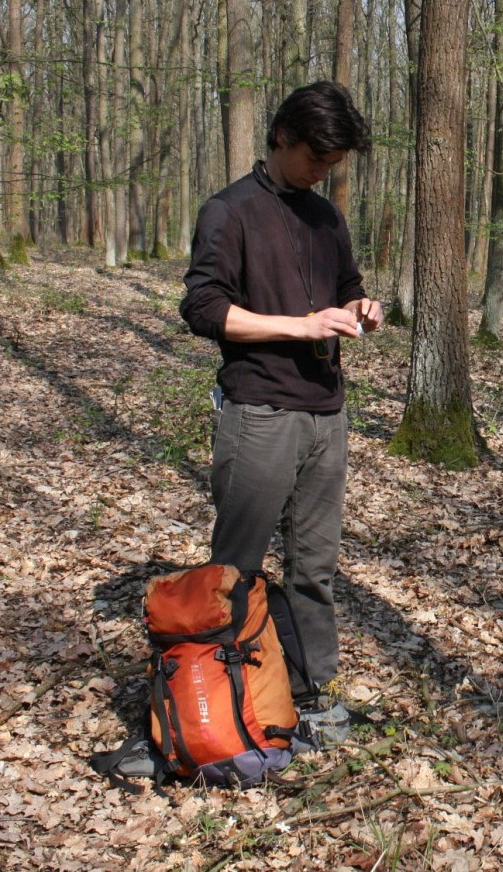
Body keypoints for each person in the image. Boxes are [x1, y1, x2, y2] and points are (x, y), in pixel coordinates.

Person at [179, 80, 381, 747]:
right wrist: (300, 326)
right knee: (235, 568)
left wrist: (361, 309)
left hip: (327, 414)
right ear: (282, 137)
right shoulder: (230, 211)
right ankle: (217, 704)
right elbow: (203, 308)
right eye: (315, 157)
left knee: (314, 568)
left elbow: (346, 288)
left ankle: (311, 694)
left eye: (333, 163)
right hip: (261, 411)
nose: (322, 171)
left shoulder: (326, 218)